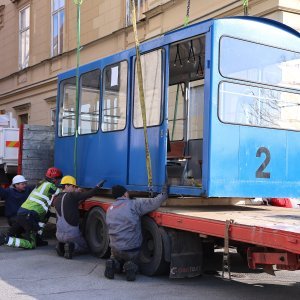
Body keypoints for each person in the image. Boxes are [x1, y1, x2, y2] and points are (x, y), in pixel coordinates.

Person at [104, 185, 168, 281]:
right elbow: (153, 203)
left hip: (115, 248)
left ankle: (113, 263)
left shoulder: (110, 209)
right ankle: (131, 266)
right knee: (134, 261)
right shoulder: (134, 204)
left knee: (116, 258)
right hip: (131, 249)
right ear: (125, 194)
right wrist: (164, 194)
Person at [0, 167, 63, 249]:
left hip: (24, 214)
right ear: (54, 179)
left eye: (24, 183)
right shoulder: (49, 186)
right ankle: (5, 240)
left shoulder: (38, 185)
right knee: (30, 244)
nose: (24, 185)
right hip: (27, 216)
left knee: (45, 217)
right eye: (58, 179)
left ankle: (37, 239)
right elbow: (61, 193)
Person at [54, 176, 106, 259]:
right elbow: (90, 194)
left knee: (68, 239)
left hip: (59, 234)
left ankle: (61, 246)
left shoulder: (56, 198)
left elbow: (70, 207)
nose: (75, 188)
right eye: (73, 186)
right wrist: (98, 186)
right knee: (86, 247)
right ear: (66, 186)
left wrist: (80, 198)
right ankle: (72, 247)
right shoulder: (71, 196)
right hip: (71, 234)